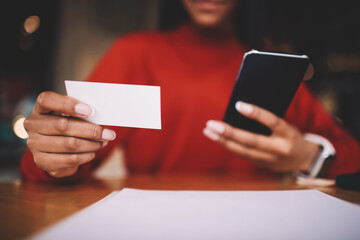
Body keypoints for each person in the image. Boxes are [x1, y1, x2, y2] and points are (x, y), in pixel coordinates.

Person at [21, 0, 360, 182]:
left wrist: (309, 156)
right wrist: (54, 158)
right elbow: (56, 164)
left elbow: (352, 156)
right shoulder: (135, 53)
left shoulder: (272, 66)